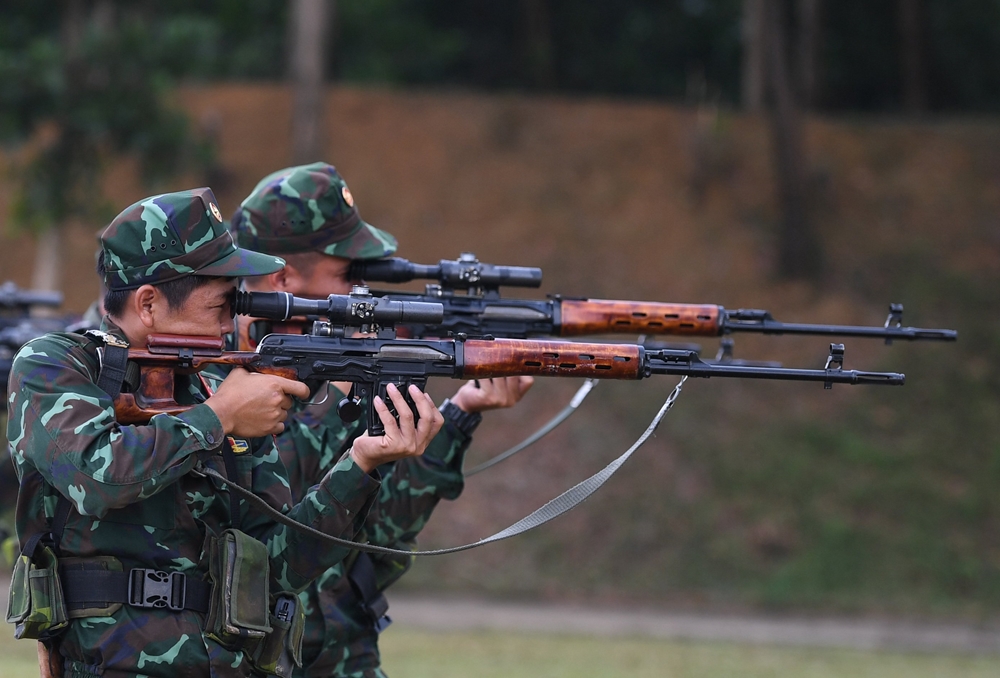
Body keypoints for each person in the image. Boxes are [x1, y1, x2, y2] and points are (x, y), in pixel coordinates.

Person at [6, 187, 444, 678]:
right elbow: (98, 478)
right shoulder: (55, 365)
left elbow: (278, 566)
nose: (234, 314)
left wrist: (361, 465)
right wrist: (218, 418)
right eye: (220, 302)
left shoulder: (218, 386)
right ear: (149, 303)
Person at [231, 162, 533, 678]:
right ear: (284, 277)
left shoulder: (332, 348)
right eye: (351, 272)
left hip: (341, 650)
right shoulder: (217, 368)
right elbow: (274, 506)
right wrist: (341, 399)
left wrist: (460, 414)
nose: (363, 285)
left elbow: (384, 529)